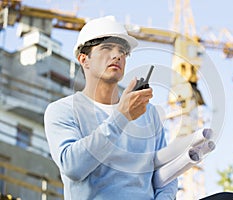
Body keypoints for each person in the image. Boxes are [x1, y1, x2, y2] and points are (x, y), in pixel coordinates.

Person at [44, 16, 178, 199]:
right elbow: (73, 167)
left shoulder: (148, 113)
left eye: (122, 51)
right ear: (84, 60)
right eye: (107, 48)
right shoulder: (62, 110)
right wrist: (121, 116)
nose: (117, 55)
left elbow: (165, 173)